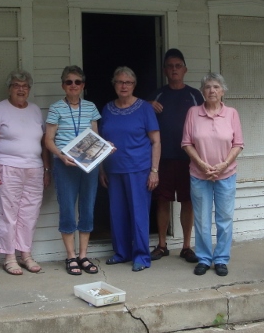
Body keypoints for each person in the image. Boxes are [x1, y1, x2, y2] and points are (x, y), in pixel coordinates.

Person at [0, 70, 51, 275]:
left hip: (34, 168)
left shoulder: (34, 110)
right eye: (16, 85)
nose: (21, 89)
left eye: (25, 86)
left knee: (29, 213)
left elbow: (42, 142)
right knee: (7, 213)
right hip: (7, 167)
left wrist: (46, 169)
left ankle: (25, 254)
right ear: (9, 88)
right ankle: (9, 257)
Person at [182, 73, 243, 276]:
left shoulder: (232, 113)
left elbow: (238, 144)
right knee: (201, 219)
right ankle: (204, 258)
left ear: (222, 91)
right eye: (208, 87)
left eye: (216, 87)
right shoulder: (193, 112)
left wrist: (223, 165)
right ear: (202, 91)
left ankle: (221, 259)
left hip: (226, 174)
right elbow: (187, 143)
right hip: (199, 175)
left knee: (224, 219)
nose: (212, 91)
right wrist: (201, 164)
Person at [100, 66, 160, 272]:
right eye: (119, 82)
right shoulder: (107, 109)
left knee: (138, 214)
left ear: (134, 85)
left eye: (128, 82)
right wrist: (101, 170)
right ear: (114, 84)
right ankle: (121, 252)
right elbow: (99, 142)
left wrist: (154, 170)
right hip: (113, 169)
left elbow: (156, 141)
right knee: (117, 214)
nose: (123, 86)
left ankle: (142, 256)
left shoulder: (144, 108)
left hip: (139, 169)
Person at [148, 49, 203, 263]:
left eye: (178, 66)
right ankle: (162, 245)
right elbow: (139, 115)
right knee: (162, 200)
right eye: (170, 66)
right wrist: (146, 104)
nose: (174, 70)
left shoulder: (195, 95)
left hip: (189, 157)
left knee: (187, 201)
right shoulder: (156, 96)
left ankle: (187, 246)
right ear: (164, 70)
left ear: (185, 69)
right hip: (163, 158)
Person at [45, 66, 101, 276]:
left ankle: (83, 255)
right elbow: (48, 140)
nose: (74, 86)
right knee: (67, 209)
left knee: (87, 207)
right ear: (63, 86)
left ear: (83, 85)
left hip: (89, 164)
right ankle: (70, 256)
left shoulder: (91, 107)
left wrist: (105, 149)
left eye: (78, 82)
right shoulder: (56, 108)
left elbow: (96, 137)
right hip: (65, 164)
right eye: (69, 82)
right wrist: (60, 155)